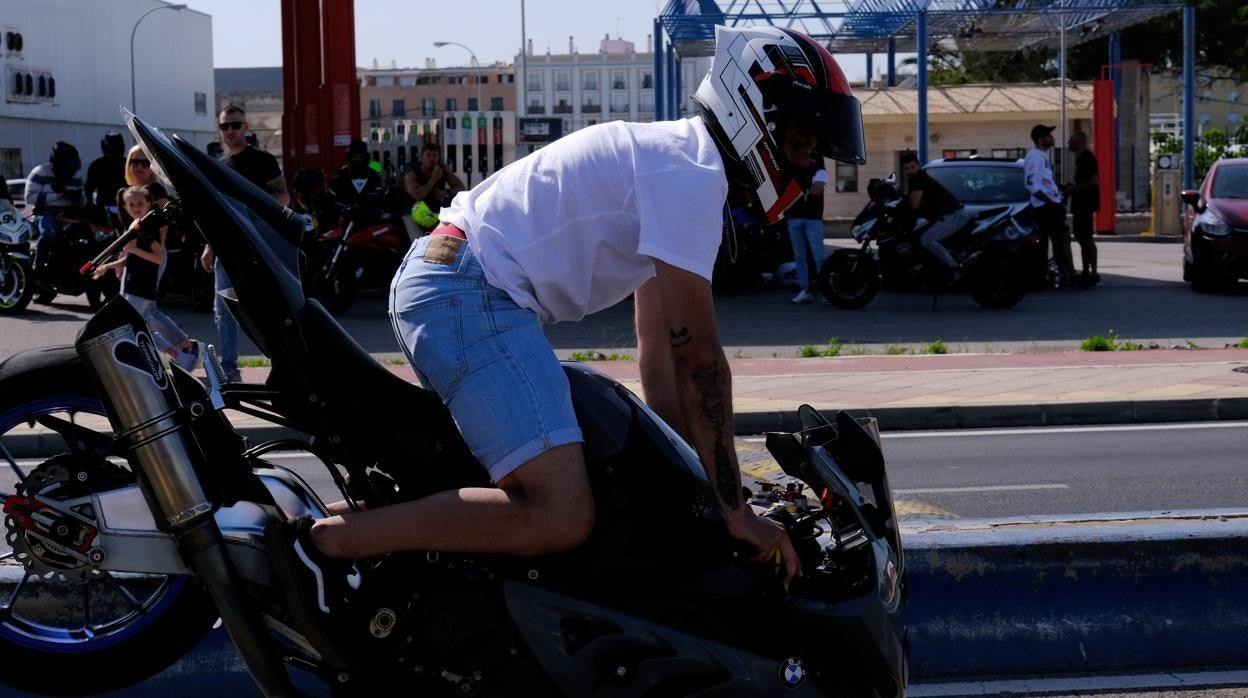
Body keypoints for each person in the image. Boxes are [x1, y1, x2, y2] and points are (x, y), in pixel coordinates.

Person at [267, 25, 867, 641]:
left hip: (456, 282)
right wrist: (736, 511)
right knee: (560, 513)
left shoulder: (677, 163)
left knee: (497, 486)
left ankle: (324, 529)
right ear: (755, 120)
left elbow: (658, 351)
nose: (807, 167)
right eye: (801, 145)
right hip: (471, 291)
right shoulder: (691, 175)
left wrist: (699, 485)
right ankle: (324, 547)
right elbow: (700, 365)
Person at [200, 105, 288, 382]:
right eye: (224, 126)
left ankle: (282, 365)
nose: (229, 131)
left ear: (246, 127)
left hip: (257, 247)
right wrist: (209, 245)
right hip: (226, 248)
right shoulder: (219, 166)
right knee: (224, 310)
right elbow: (215, 211)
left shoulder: (263, 161)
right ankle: (228, 369)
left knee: (264, 308)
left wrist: (253, 215)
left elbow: (283, 197)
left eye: (235, 125)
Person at [93, 186, 198, 370]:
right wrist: (109, 266)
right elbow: (131, 257)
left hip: (140, 287)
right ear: (125, 207)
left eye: (140, 203)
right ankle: (185, 348)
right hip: (132, 284)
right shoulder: (134, 226)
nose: (135, 207)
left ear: (149, 204)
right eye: (131, 204)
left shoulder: (146, 229)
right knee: (146, 318)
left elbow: (158, 257)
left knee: (133, 324)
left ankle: (174, 353)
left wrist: (133, 249)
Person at [901, 151, 972, 275]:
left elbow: (914, 205)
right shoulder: (920, 177)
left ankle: (955, 268)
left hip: (954, 215)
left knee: (927, 239)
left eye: (912, 167)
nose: (910, 170)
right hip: (949, 215)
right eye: (906, 168)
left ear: (918, 166)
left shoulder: (917, 179)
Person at [1025, 124, 1077, 287]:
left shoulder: (1042, 156)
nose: (1052, 138)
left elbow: (1043, 182)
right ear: (1041, 139)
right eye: (1048, 135)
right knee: (1059, 242)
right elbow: (1031, 183)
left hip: (1051, 205)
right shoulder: (1034, 156)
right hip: (1045, 207)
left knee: (1059, 242)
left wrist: (1059, 191)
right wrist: (1050, 202)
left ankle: (1064, 275)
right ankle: (1068, 276)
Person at [24, 141, 83, 272]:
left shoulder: (76, 175)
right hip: (46, 212)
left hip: (69, 213)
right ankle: (38, 265)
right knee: (49, 233)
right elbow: (30, 197)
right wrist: (59, 194)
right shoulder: (40, 172)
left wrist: (77, 198)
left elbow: (81, 196)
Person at [786, 158, 828, 303]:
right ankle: (805, 290)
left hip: (813, 218)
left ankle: (827, 291)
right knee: (799, 256)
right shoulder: (791, 169)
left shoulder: (820, 170)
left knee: (819, 257)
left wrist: (797, 190)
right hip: (794, 217)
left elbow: (817, 190)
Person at [1064, 131, 1100, 285]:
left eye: (1071, 141)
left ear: (1078, 143)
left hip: (1086, 204)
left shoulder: (1088, 158)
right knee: (1081, 237)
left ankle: (1092, 272)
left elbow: (1094, 181)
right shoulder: (1080, 159)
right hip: (1080, 204)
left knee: (1085, 238)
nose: (1068, 143)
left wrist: (1074, 189)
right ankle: (1087, 271)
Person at [403, 142, 464, 211]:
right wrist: (433, 179)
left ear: (439, 157)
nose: (432, 158)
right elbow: (417, 195)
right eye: (428, 155)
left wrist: (446, 192)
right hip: (417, 210)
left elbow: (461, 187)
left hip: (438, 208)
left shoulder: (443, 168)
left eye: (435, 155)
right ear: (422, 157)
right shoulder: (412, 173)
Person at [84, 132, 127, 226]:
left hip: (126, 209)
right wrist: (90, 205)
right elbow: (89, 188)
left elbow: (89, 188)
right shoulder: (97, 165)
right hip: (104, 211)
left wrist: (90, 204)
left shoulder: (128, 164)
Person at [328, 139, 385, 205]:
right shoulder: (340, 175)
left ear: (365, 157)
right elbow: (331, 198)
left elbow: (379, 196)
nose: (358, 160)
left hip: (368, 213)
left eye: (361, 157)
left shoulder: (373, 175)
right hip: (346, 213)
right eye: (355, 157)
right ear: (350, 157)